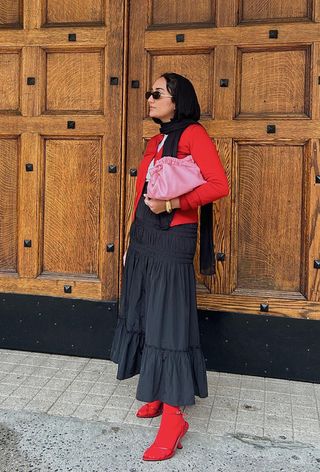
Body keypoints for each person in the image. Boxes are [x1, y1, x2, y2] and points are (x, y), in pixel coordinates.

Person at [110, 72, 229, 461]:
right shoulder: (155, 140)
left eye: (156, 93)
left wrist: (172, 205)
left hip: (174, 237)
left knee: (169, 320)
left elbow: (218, 184)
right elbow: (141, 193)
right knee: (146, 312)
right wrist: (131, 243)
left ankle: (175, 417)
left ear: (177, 100)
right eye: (149, 93)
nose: (149, 99)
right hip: (144, 238)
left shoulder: (194, 135)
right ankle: (160, 392)